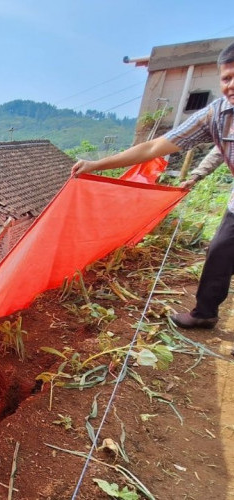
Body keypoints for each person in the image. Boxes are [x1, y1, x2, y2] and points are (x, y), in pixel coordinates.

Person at [71, 41, 234, 330]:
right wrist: (97, 165)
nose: (231, 85)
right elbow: (154, 147)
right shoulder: (216, 114)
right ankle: (205, 313)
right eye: (226, 78)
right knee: (220, 253)